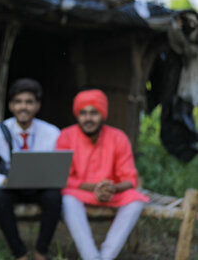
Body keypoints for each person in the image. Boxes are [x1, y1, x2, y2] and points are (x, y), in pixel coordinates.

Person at [0, 78, 61, 260]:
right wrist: (4, 181)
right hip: (10, 188)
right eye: (18, 102)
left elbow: (61, 168)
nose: (23, 107)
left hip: (39, 188)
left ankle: (41, 251)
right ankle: (20, 253)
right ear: (10, 106)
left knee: (54, 196)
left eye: (29, 102)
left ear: (37, 106)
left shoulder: (52, 133)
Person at [57, 89, 149, 260]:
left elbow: (130, 179)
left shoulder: (118, 137)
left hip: (112, 193)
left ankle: (106, 256)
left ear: (103, 114)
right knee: (67, 200)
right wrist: (95, 188)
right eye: (83, 113)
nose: (88, 118)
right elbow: (63, 178)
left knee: (136, 201)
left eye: (94, 113)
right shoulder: (66, 136)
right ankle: (91, 256)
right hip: (80, 192)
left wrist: (111, 188)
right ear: (77, 115)